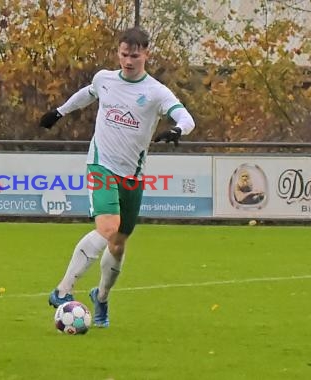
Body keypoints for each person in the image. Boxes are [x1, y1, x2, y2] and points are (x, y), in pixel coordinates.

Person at [39, 27, 195, 327]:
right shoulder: (105, 79)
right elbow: (88, 94)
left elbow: (185, 116)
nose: (128, 61)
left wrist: (177, 130)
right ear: (118, 53)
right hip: (101, 165)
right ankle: (63, 290)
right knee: (108, 227)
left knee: (118, 243)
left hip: (132, 176)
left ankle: (102, 297)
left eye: (135, 55)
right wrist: (59, 112)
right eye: (124, 54)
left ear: (146, 54)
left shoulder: (156, 92)